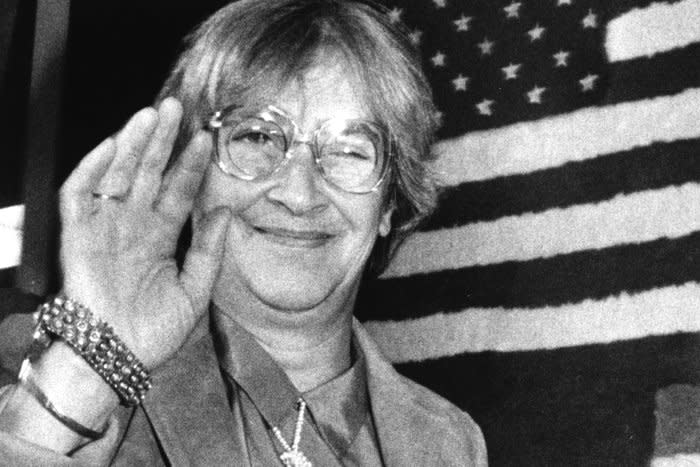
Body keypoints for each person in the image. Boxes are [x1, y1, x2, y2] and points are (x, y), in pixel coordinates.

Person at [0, 0, 487, 465]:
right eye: (255, 137)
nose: (299, 194)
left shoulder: (448, 441)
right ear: (190, 177)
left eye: (349, 151)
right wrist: (91, 367)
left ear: (390, 204)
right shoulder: (35, 370)